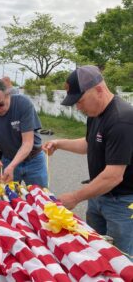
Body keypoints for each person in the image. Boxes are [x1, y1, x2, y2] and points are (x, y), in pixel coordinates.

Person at [42, 65, 133, 261]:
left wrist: (75, 197)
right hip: (98, 194)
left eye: (80, 101)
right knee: (94, 249)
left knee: (121, 258)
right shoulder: (96, 114)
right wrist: (59, 143)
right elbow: (89, 144)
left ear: (99, 89)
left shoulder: (122, 119)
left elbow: (114, 176)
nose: (78, 107)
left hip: (122, 202)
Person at [0, 79, 48, 187]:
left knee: (40, 198)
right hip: (8, 159)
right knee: (9, 199)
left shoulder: (23, 104)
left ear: (8, 95)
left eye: (0, 104)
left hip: (33, 160)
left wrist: (12, 166)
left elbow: (27, 143)